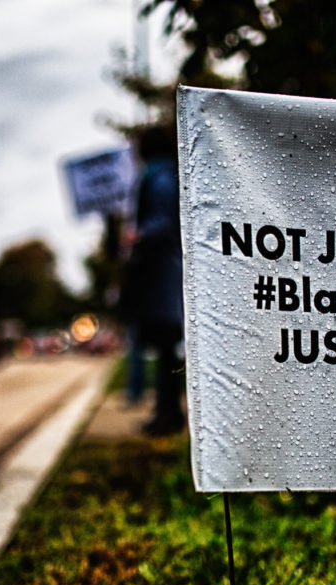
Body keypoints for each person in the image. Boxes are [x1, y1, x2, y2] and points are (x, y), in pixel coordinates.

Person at [124, 123, 185, 436]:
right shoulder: (169, 173)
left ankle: (167, 414)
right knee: (165, 348)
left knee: (163, 347)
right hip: (164, 275)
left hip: (161, 276)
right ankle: (167, 412)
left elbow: (161, 221)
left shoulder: (159, 176)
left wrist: (138, 235)